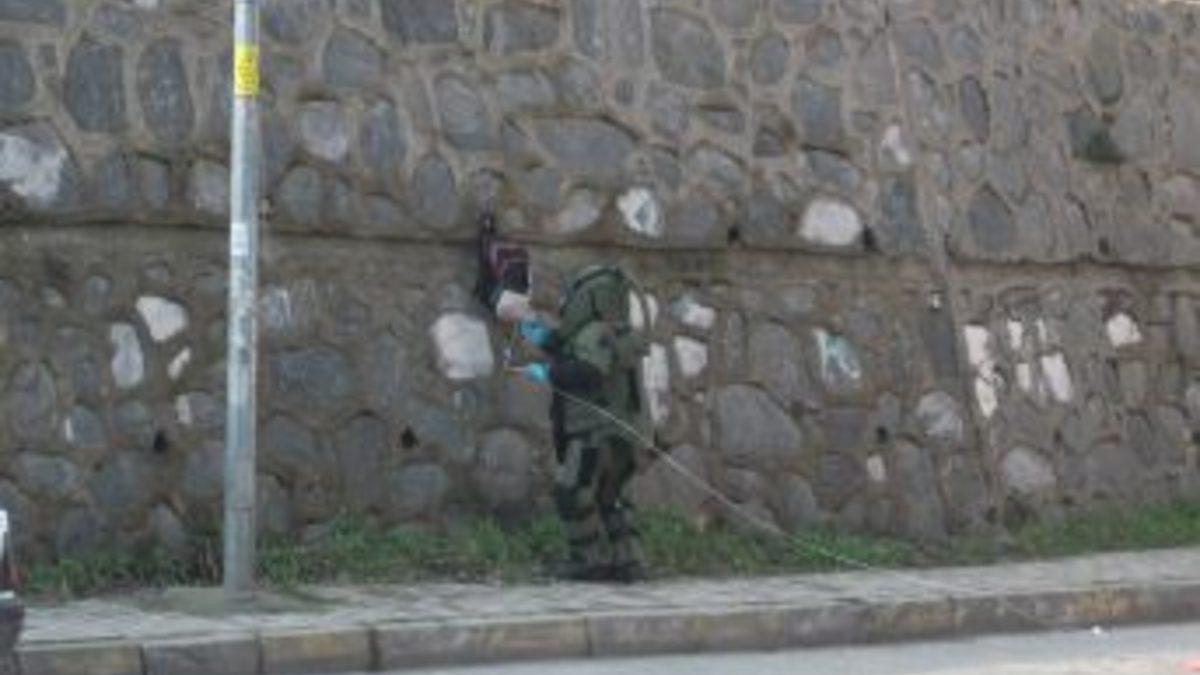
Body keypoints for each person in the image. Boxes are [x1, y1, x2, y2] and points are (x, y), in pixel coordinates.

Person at [515, 265, 651, 583]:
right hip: (625, 432)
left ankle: (586, 560)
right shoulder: (620, 331)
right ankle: (629, 560)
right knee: (610, 495)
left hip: (593, 432)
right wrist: (540, 336)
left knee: (572, 492)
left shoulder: (594, 332)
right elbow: (573, 348)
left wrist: (548, 373)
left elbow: (588, 372)